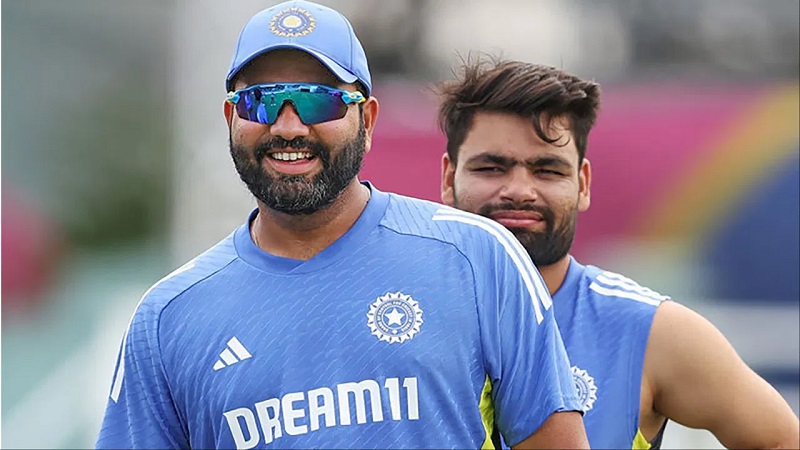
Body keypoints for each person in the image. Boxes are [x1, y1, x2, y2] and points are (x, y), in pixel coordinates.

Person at [95, 2, 591, 449]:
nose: (288, 126)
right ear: (231, 118)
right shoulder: (168, 318)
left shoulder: (477, 257)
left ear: (367, 121)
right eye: (261, 101)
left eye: (318, 100)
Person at [437, 56, 800, 450]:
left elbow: (781, 440)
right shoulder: (402, 309)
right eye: (491, 168)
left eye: (548, 170)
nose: (520, 191)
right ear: (448, 178)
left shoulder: (649, 331)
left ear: (583, 184)